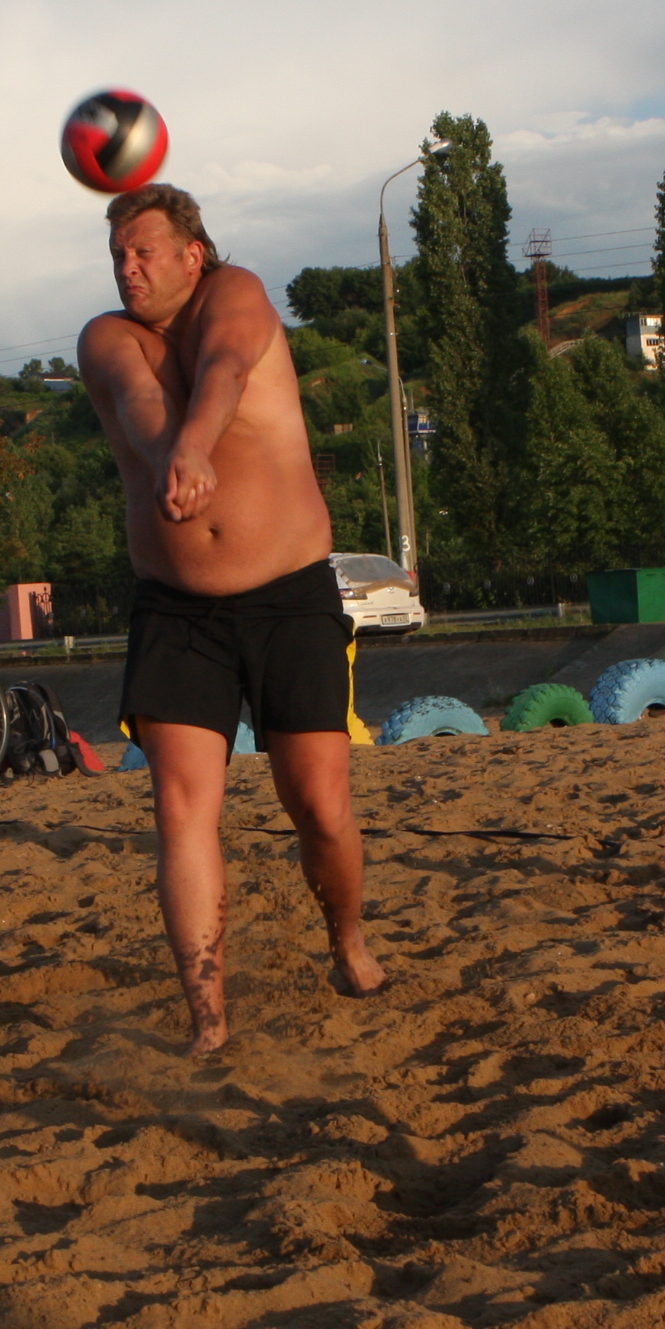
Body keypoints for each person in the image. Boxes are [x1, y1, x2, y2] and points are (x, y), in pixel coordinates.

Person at [77, 184, 386, 1055]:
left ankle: (346, 941)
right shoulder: (105, 337)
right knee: (181, 809)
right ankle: (207, 1022)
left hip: (290, 593)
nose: (127, 269)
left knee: (318, 804)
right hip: (176, 607)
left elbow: (224, 368)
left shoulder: (238, 292)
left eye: (143, 252)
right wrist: (168, 452)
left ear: (192, 254)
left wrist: (197, 445)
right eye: (117, 256)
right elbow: (139, 404)